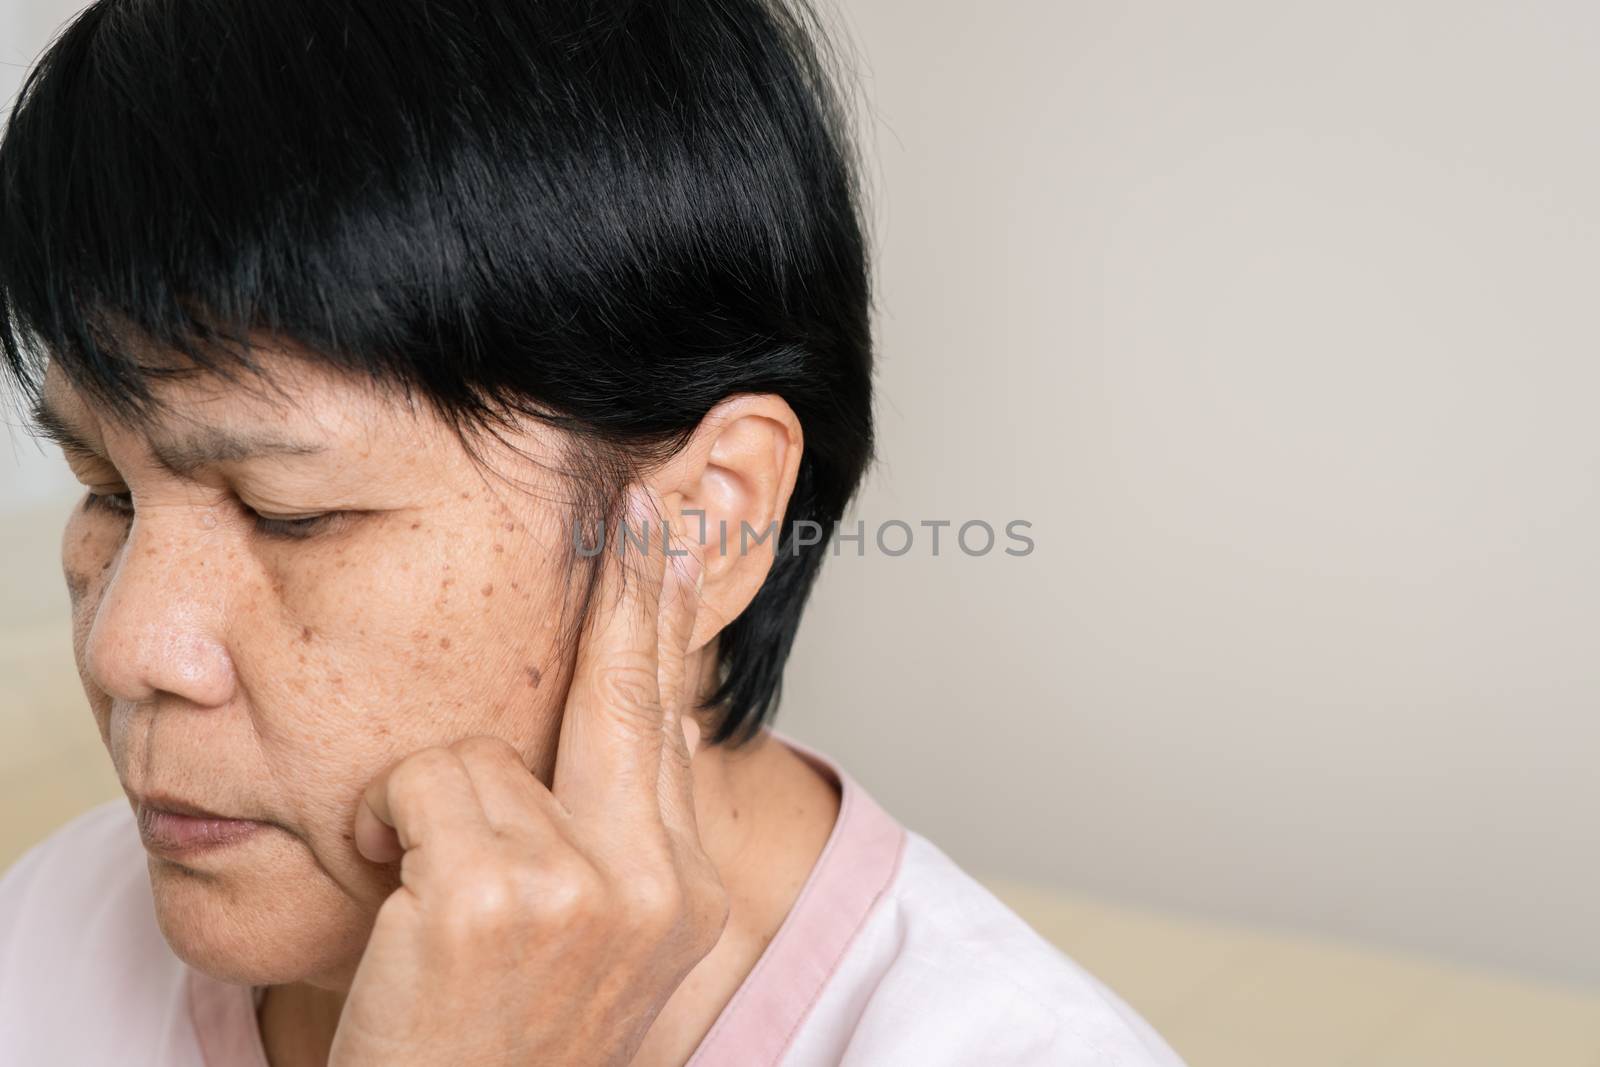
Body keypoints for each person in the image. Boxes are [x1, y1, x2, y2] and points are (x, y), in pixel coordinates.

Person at [0, 1, 1185, 1063]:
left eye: (288, 513)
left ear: (705, 521)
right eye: (105, 486)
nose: (124, 646)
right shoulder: (54, 933)